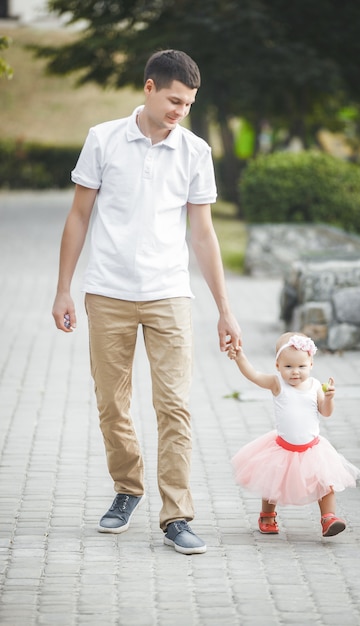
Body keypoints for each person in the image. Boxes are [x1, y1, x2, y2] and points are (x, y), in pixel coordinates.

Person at [52, 49, 241, 555]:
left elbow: (203, 235)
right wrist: (63, 287)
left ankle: (177, 515)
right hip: (107, 292)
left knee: (174, 406)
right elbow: (78, 216)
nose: (181, 110)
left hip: (170, 296)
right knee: (112, 404)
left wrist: (224, 308)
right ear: (150, 88)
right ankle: (127, 488)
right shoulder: (103, 139)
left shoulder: (195, 152)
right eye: (175, 99)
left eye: (189, 103)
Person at [226, 332, 360, 537]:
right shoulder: (276, 383)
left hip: (313, 448)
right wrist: (240, 357)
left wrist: (330, 398)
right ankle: (267, 516)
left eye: (301, 366)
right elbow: (253, 375)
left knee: (325, 482)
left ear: (311, 365)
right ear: (278, 366)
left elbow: (325, 412)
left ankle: (328, 518)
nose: (295, 372)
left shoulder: (315, 386)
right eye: (288, 366)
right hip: (282, 447)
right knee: (272, 482)